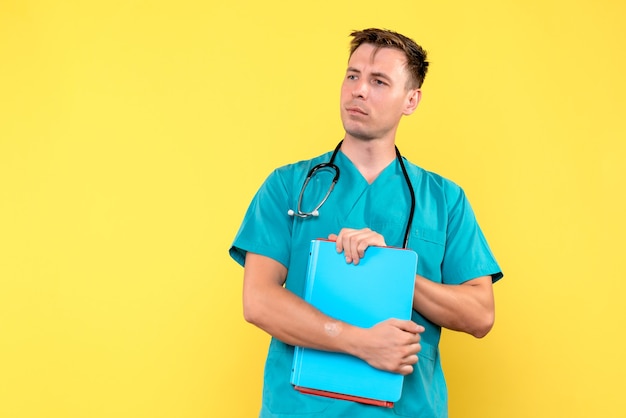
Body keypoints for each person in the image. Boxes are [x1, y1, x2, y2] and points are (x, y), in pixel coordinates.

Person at [229, 28, 503, 418]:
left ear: (411, 100)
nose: (358, 90)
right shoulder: (289, 185)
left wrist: (394, 270)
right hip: (301, 409)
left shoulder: (444, 199)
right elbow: (258, 301)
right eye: (352, 75)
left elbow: (480, 315)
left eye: (378, 81)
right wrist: (360, 342)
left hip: (409, 409)